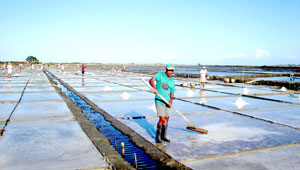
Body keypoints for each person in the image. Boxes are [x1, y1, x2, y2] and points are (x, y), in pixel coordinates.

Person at [149, 64, 175, 143]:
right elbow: (151, 80)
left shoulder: (172, 80)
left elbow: (172, 93)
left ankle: (163, 136)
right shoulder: (160, 75)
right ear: (166, 70)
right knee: (162, 118)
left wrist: (170, 102)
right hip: (159, 100)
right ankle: (158, 137)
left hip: (167, 101)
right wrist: (154, 88)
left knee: (167, 118)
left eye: (172, 70)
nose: (170, 72)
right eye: (169, 70)